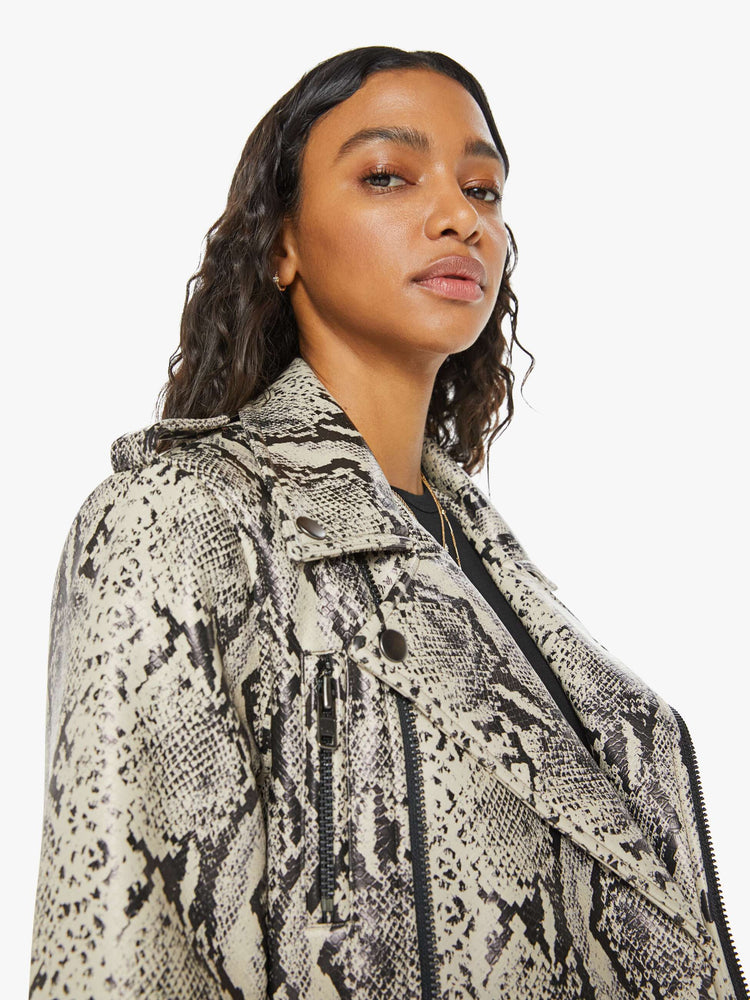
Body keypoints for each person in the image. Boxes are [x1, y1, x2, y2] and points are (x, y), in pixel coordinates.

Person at [28, 44, 746, 1000]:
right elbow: (120, 947)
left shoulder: (488, 560)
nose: (461, 216)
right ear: (280, 245)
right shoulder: (180, 519)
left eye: (483, 190)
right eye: (386, 176)